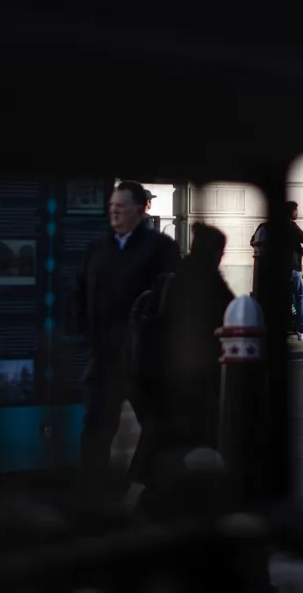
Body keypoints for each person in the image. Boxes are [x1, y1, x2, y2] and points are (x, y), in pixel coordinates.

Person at [76, 182, 178, 478]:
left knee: (155, 423)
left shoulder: (160, 247)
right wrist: (85, 327)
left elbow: (172, 296)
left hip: (142, 356)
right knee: (97, 424)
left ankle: (145, 484)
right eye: (111, 207)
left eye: (121, 207)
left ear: (140, 208)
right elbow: (81, 291)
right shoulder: (97, 248)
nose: (115, 212)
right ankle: (93, 485)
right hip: (105, 354)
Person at [131, 222, 233, 505]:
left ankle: (143, 489)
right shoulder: (206, 281)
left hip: (161, 374)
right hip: (190, 377)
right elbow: (227, 312)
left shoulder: (179, 276)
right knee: (183, 434)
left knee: (158, 435)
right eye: (220, 252)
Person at [253, 200, 303, 338]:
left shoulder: (268, 226)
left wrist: (302, 251)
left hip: (272, 270)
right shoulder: (289, 226)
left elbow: (255, 241)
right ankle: (302, 330)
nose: (297, 212)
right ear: (290, 212)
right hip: (289, 268)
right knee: (301, 295)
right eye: (295, 209)